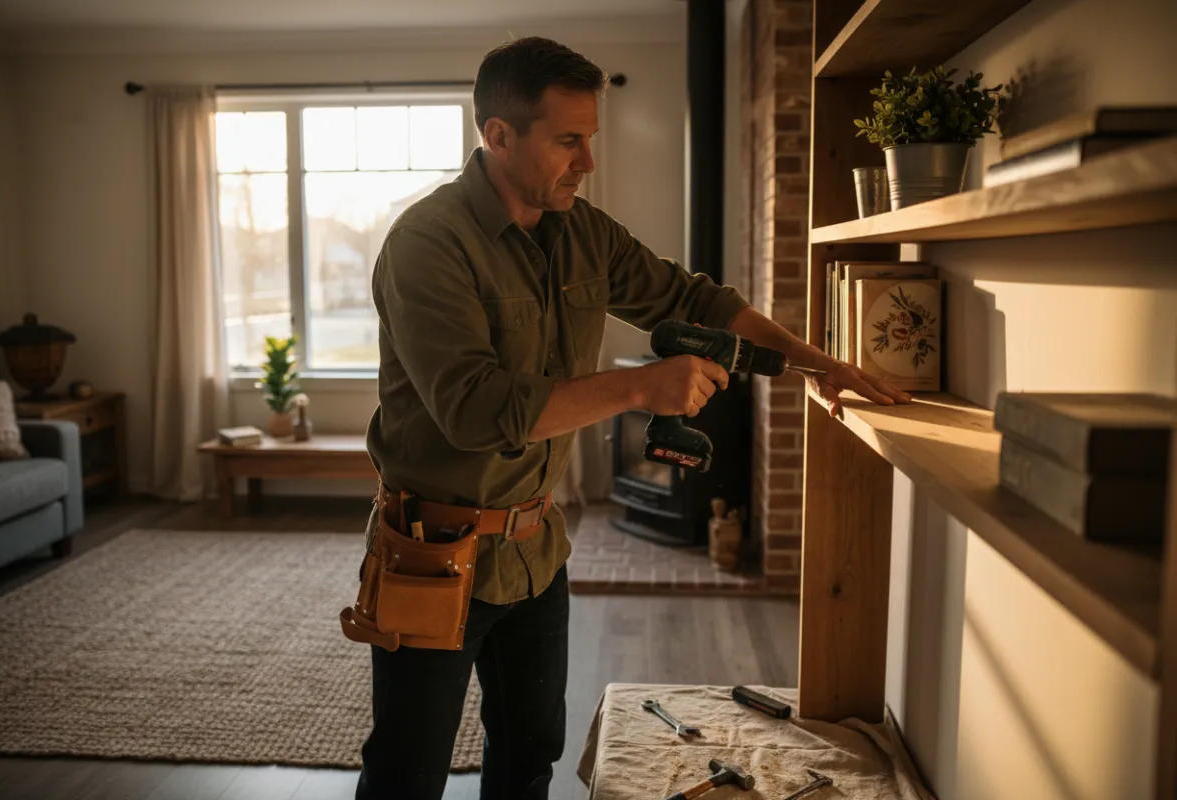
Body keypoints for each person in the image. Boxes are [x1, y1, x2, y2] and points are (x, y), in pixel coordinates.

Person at [356, 36, 912, 800]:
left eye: (592, 138)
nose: (588, 162)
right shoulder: (426, 243)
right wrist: (639, 388)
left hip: (538, 549)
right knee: (406, 775)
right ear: (498, 136)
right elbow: (476, 410)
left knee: (527, 760)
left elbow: (699, 303)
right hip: (430, 552)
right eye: (569, 141)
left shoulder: (585, 232)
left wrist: (820, 364)